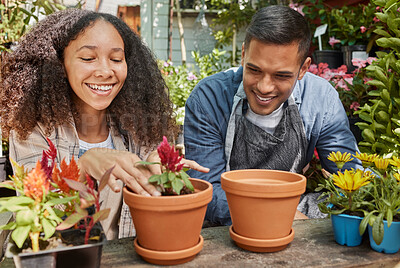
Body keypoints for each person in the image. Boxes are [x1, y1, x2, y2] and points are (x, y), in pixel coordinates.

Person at [0, 9, 207, 240]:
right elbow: (38, 214)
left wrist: (156, 166)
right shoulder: (31, 128)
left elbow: (159, 206)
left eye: (116, 59)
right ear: (59, 64)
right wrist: (84, 166)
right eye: (88, 58)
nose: (105, 71)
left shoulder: (140, 124)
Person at [184, 5, 362, 226]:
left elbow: (352, 181)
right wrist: (275, 217)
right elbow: (206, 190)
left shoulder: (321, 100)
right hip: (230, 219)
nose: (264, 87)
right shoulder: (209, 98)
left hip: (294, 209)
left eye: (281, 75)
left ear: (304, 68)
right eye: (254, 70)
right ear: (242, 54)